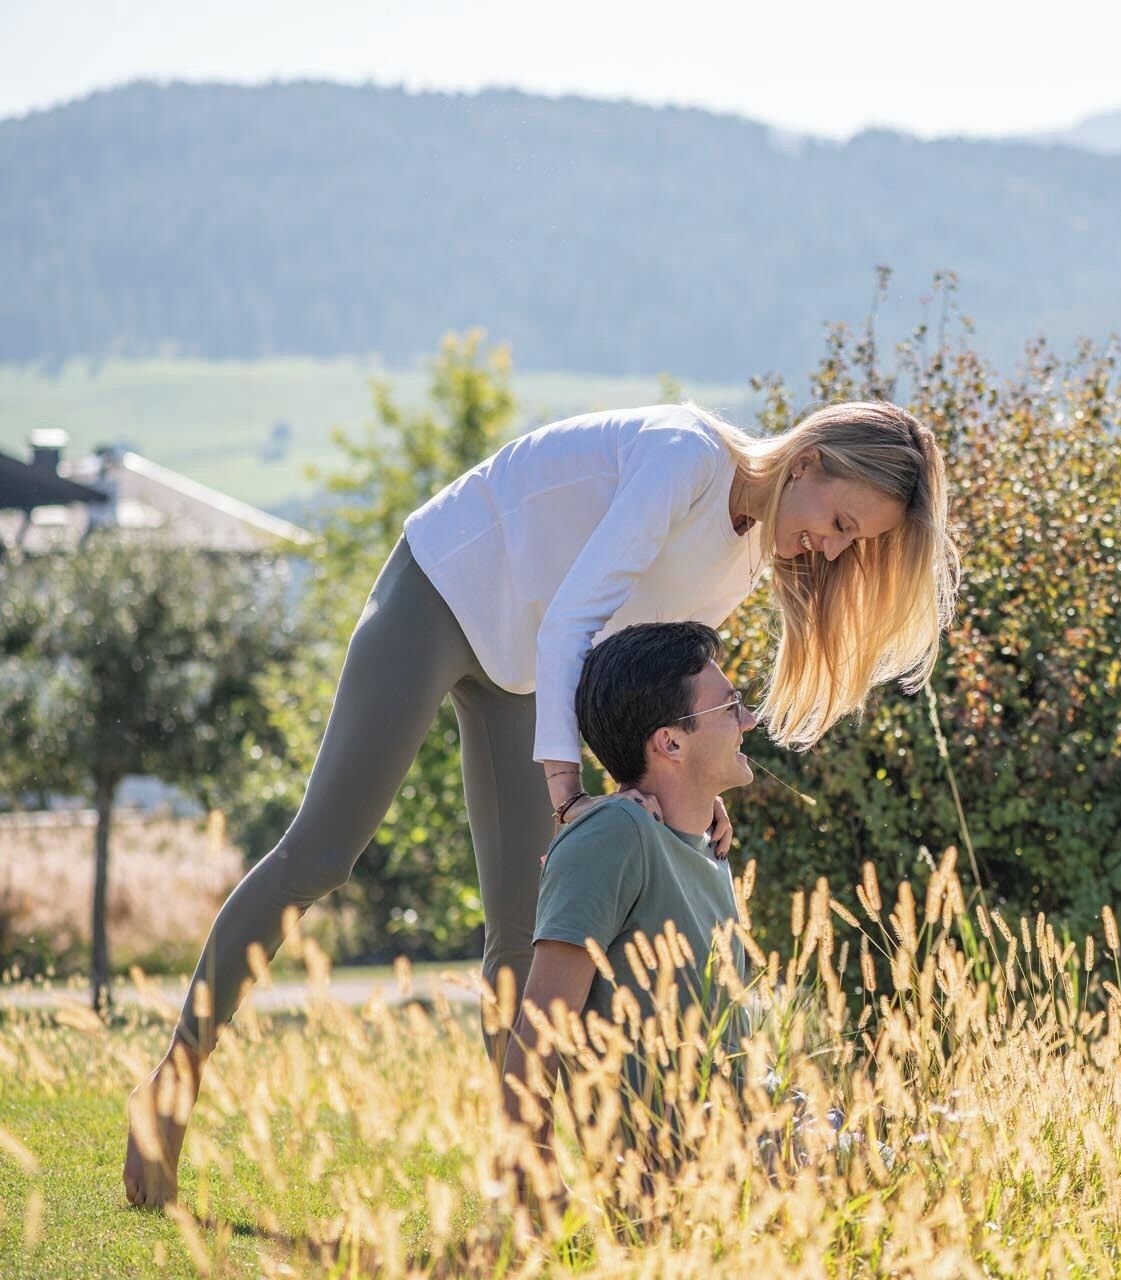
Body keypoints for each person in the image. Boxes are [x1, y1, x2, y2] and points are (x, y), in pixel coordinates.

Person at [125, 400, 958, 1207]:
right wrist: (570, 795)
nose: (832, 550)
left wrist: (687, 795)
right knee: (321, 856)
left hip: (528, 673)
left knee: (528, 929)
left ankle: (525, 1175)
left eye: (856, 543)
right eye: (843, 524)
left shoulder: (746, 554)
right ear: (806, 463)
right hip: (446, 592)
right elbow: (572, 621)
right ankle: (174, 1081)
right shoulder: (685, 458)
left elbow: (632, 680)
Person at [500, 621, 753, 1218]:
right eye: (730, 708)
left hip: (749, 1145)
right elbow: (539, 1030)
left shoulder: (705, 847)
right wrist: (536, 1194)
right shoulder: (615, 835)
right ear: (670, 742)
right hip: (679, 1178)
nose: (748, 721)